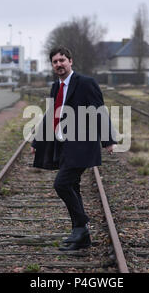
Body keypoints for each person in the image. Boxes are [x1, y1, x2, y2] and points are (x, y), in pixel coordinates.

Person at [30, 46, 116, 251]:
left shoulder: (86, 83)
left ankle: (81, 226)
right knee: (72, 185)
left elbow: (99, 111)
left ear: (70, 61)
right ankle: (81, 235)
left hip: (83, 144)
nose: (59, 64)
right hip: (64, 145)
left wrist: (108, 140)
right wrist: (37, 142)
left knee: (62, 184)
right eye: (55, 62)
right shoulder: (55, 87)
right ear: (52, 66)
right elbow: (51, 114)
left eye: (62, 60)